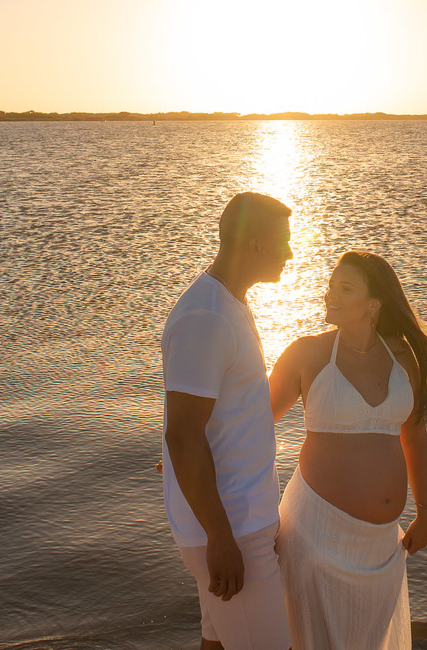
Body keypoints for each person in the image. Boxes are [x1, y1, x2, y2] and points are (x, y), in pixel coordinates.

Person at [269, 251, 427, 650]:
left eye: (345, 288)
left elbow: (414, 437)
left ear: (375, 303)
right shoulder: (306, 353)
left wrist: (426, 512)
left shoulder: (403, 357)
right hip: (314, 533)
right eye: (332, 284)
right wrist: (194, 447)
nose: (330, 293)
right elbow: (255, 418)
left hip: (382, 545)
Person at [162, 192, 295, 650]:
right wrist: (220, 537)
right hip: (230, 528)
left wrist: (181, 463)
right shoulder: (208, 317)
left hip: (234, 519)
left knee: (216, 643)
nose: (291, 253)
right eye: (283, 242)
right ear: (255, 245)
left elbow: (199, 424)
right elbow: (182, 433)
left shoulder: (229, 303)